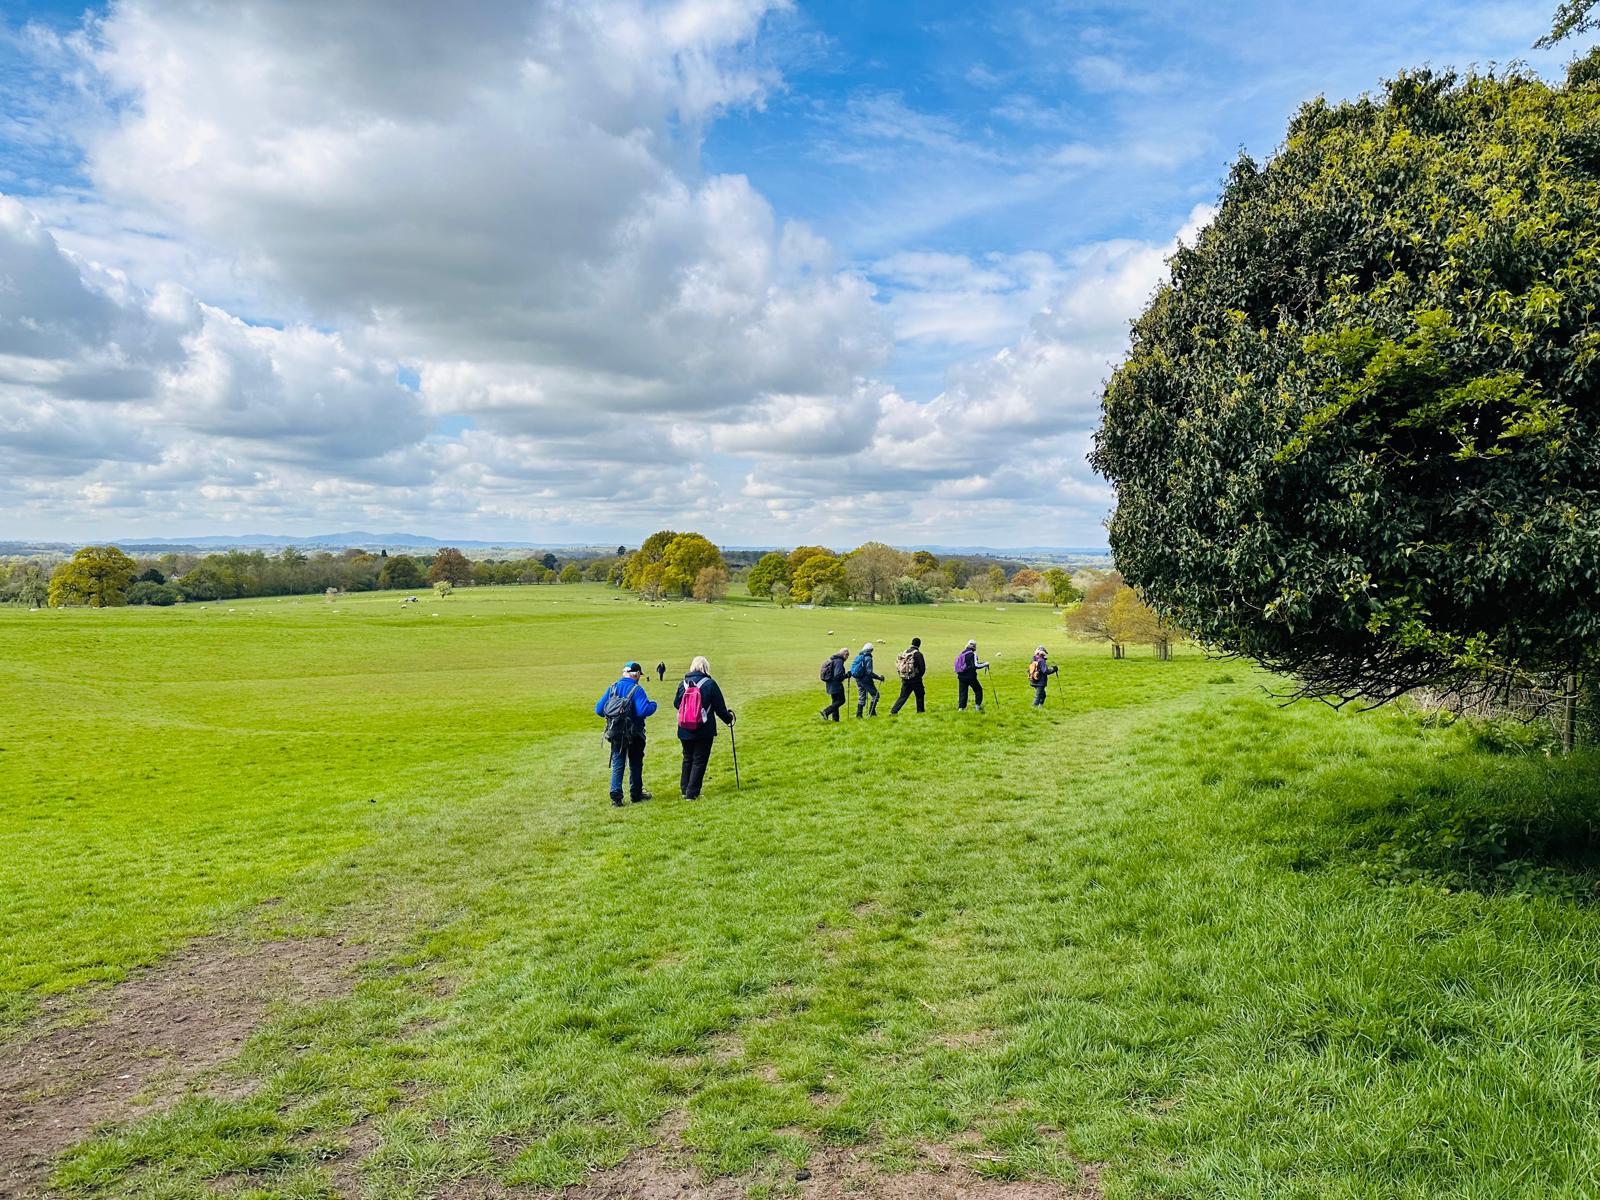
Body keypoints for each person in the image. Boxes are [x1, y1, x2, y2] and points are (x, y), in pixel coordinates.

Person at [594, 662, 658, 806]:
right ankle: (636, 794)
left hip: (616, 733)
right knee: (635, 764)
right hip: (635, 733)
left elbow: (599, 709)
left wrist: (614, 716)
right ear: (636, 674)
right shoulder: (637, 690)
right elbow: (642, 710)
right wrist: (653, 705)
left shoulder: (613, 688)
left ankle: (616, 798)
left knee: (618, 763)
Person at [673, 655, 735, 799]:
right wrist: (729, 719)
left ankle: (685, 789)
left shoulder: (683, 684)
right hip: (704, 728)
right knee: (699, 760)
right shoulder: (710, 684)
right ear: (706, 668)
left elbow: (676, 704)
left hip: (684, 728)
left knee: (687, 757)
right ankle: (692, 793)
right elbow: (720, 708)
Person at [890, 637, 927, 714]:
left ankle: (894, 711)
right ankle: (920, 711)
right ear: (919, 645)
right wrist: (918, 676)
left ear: (911, 643)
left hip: (905, 679)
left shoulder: (904, 653)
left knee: (903, 696)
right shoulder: (918, 654)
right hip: (916, 679)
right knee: (920, 695)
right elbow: (922, 668)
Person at [849, 642, 884, 717]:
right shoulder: (868, 658)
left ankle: (859, 714)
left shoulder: (859, 656)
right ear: (870, 650)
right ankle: (872, 712)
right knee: (876, 695)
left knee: (861, 696)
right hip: (866, 680)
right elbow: (869, 672)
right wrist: (879, 678)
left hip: (858, 679)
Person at [954, 639, 989, 711]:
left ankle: (961, 709)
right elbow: (976, 665)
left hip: (961, 676)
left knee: (963, 692)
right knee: (978, 690)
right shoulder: (973, 654)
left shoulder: (962, 653)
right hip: (971, 677)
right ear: (974, 647)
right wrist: (985, 664)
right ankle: (978, 707)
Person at [819, 646, 849, 722]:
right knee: (841, 700)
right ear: (844, 654)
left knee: (835, 701)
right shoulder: (839, 661)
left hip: (829, 683)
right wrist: (846, 676)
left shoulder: (833, 659)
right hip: (836, 685)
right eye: (847, 655)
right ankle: (826, 711)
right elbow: (837, 675)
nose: (847, 657)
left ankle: (835, 720)